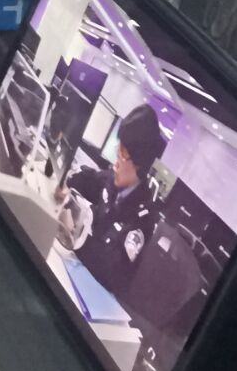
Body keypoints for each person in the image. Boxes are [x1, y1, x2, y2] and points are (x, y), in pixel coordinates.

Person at [58, 102, 167, 312]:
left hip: (94, 299)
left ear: (140, 164)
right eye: (119, 150)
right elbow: (85, 180)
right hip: (74, 271)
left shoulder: (142, 220)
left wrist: (76, 230)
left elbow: (110, 272)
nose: (116, 161)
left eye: (122, 155)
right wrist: (66, 182)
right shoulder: (112, 180)